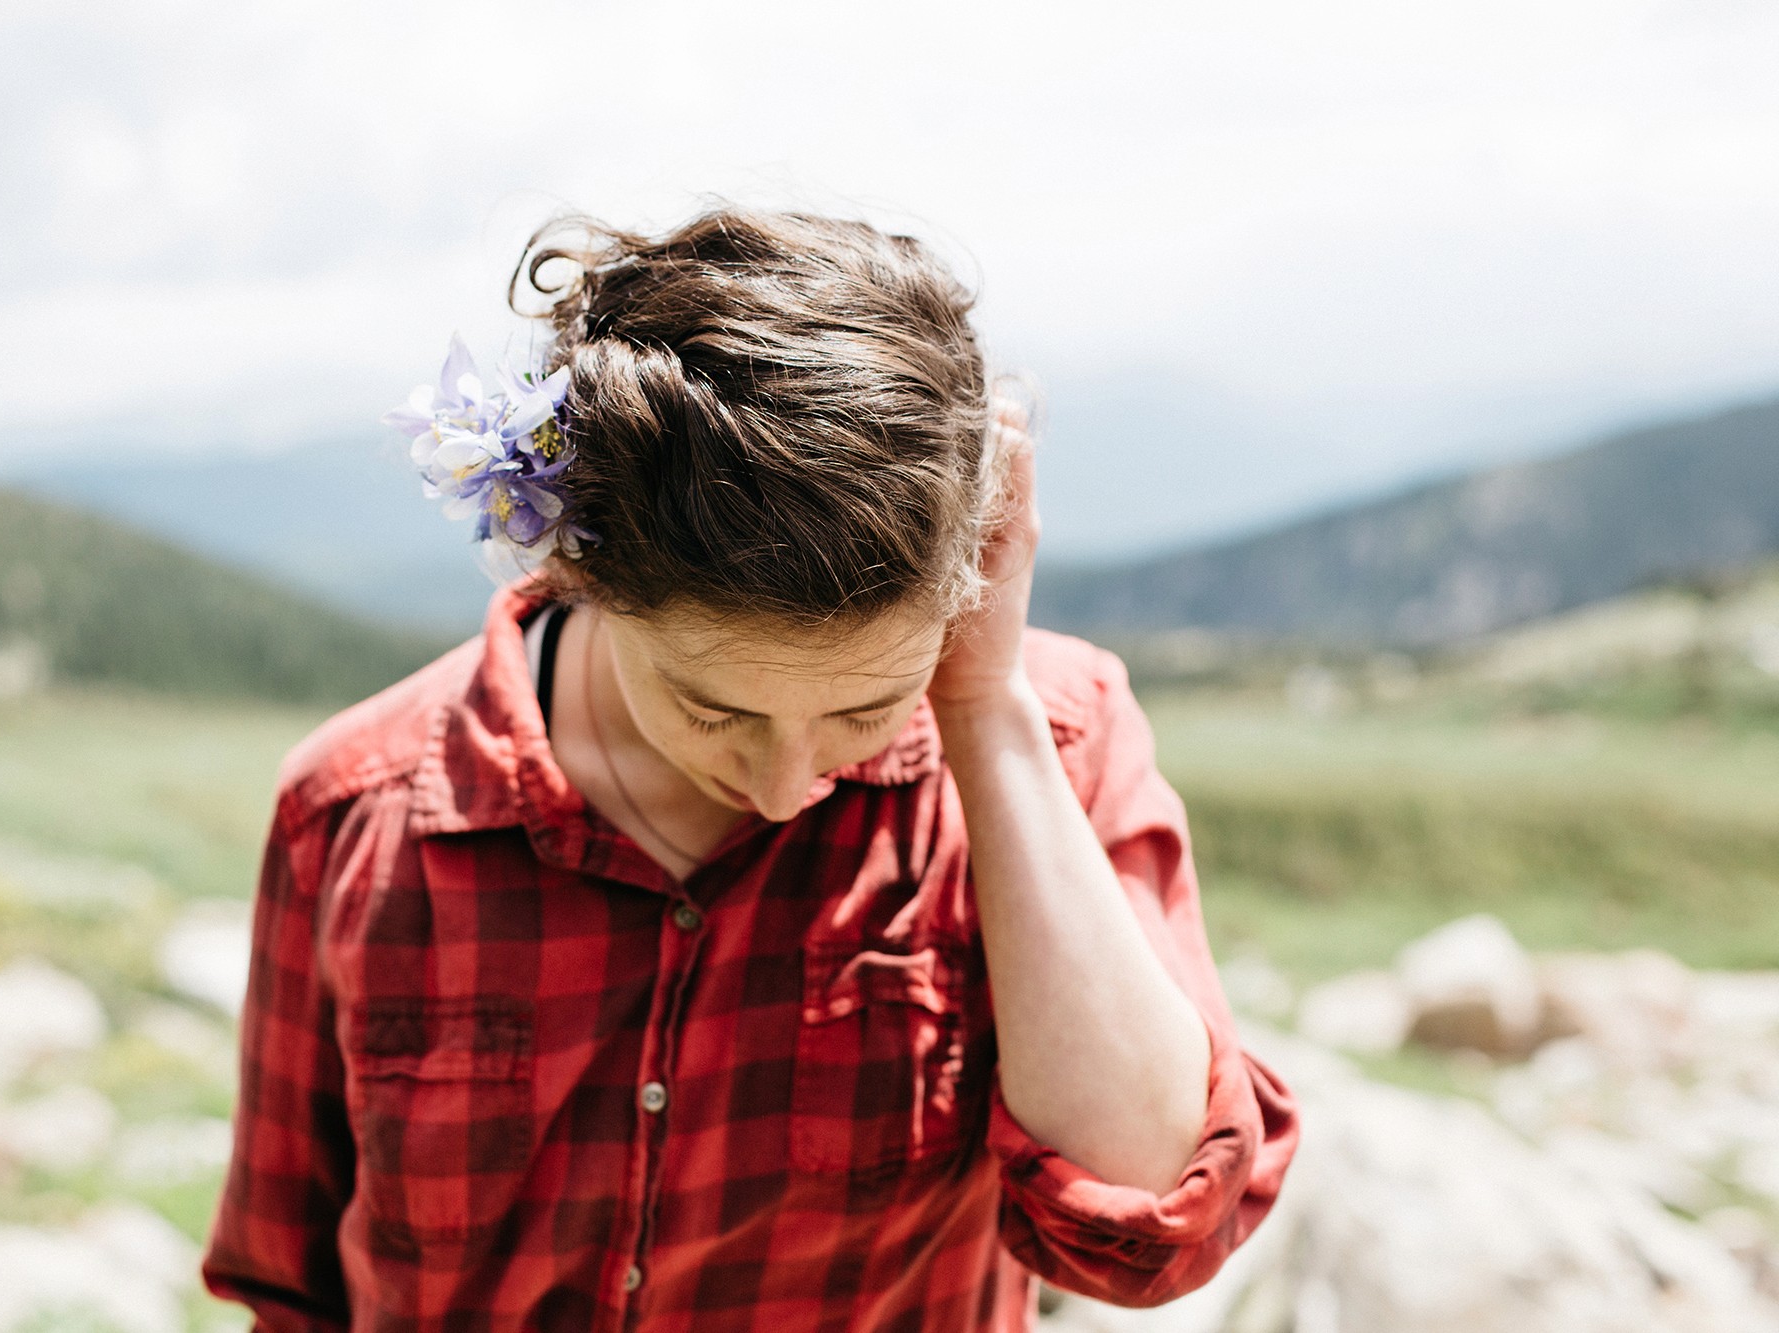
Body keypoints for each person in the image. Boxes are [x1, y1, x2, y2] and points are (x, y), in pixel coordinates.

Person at [202, 208, 1297, 1331]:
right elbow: (289, 1292)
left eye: (863, 708)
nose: (786, 784)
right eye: (713, 708)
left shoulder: (1054, 746)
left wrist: (982, 710)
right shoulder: (352, 811)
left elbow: (1148, 1223)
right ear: (584, 569)